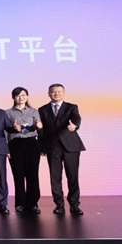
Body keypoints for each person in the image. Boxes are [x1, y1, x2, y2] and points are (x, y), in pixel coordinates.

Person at [38, 83, 85, 215]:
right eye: (53, 92)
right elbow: (41, 130)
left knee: (73, 176)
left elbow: (76, 118)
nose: (56, 94)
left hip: (71, 146)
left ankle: (74, 204)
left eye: (59, 91)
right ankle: (59, 204)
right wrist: (42, 146)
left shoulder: (71, 107)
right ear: (49, 94)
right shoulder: (42, 109)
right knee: (55, 178)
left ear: (63, 93)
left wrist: (74, 126)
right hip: (52, 147)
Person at [5, 87, 43, 214]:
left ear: (27, 96)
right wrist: (6, 149)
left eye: (23, 95)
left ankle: (33, 204)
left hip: (32, 143)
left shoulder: (34, 111)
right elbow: (5, 131)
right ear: (13, 97)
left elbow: (38, 127)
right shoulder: (8, 113)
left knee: (33, 175)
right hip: (15, 144)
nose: (21, 97)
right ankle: (20, 203)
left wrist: (38, 127)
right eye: (18, 95)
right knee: (18, 175)